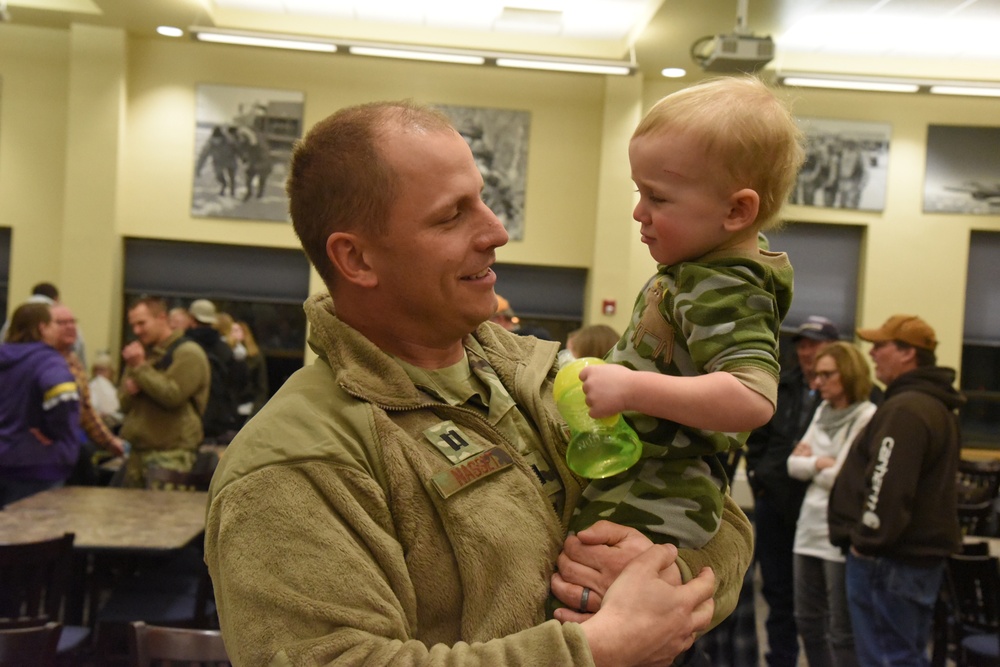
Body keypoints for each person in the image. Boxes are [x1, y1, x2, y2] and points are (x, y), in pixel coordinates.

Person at [204, 100, 754, 667]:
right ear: (357, 258)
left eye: (483, 199)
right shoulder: (298, 458)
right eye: (451, 215)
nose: (497, 230)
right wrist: (596, 648)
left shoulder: (547, 375)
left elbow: (724, 518)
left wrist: (658, 573)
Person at [568, 76, 801, 557]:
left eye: (658, 198)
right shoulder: (696, 274)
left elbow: (752, 396)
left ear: (736, 210)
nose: (638, 212)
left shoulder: (726, 285)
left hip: (659, 496)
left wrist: (628, 388)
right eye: (639, 193)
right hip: (640, 479)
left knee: (592, 606)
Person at [829, 315, 964, 667]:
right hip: (910, 560)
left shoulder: (906, 409)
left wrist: (866, 542)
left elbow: (887, 484)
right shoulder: (935, 406)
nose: (872, 353)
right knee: (906, 655)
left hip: (887, 560)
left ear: (908, 354)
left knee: (886, 658)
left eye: (880, 346)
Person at [745, 314, 841, 667]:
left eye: (815, 344)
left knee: (823, 601)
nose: (807, 351)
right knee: (777, 593)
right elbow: (757, 439)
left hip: (822, 510)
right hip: (775, 505)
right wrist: (760, 479)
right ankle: (780, 660)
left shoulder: (850, 393)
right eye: (802, 344)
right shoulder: (780, 385)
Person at [787, 341, 876, 667]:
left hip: (838, 532)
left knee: (841, 629)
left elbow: (845, 479)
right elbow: (791, 466)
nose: (817, 382)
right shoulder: (822, 412)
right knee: (807, 621)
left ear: (849, 374)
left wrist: (816, 464)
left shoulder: (868, 416)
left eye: (827, 375)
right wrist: (819, 464)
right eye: (816, 375)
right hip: (808, 528)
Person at [119, 296, 210, 487]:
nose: (137, 331)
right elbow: (123, 403)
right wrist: (133, 386)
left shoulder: (188, 353)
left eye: (142, 323)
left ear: (161, 318)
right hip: (137, 453)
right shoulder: (140, 355)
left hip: (171, 455)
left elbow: (173, 396)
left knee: (163, 515)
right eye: (133, 325)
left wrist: (141, 370)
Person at [0, 302, 80, 505]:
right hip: (38, 463)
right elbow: (63, 393)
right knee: (32, 534)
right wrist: (53, 431)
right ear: (42, 328)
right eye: (55, 324)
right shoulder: (47, 360)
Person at [50, 304, 126, 485]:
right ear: (45, 327)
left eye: (72, 322)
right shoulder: (39, 360)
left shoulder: (74, 362)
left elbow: (86, 411)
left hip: (68, 447)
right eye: (62, 322)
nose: (70, 327)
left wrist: (110, 442)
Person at [185, 299, 244, 443]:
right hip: (219, 421)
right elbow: (238, 383)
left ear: (192, 319)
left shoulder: (186, 347)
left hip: (190, 421)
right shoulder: (225, 350)